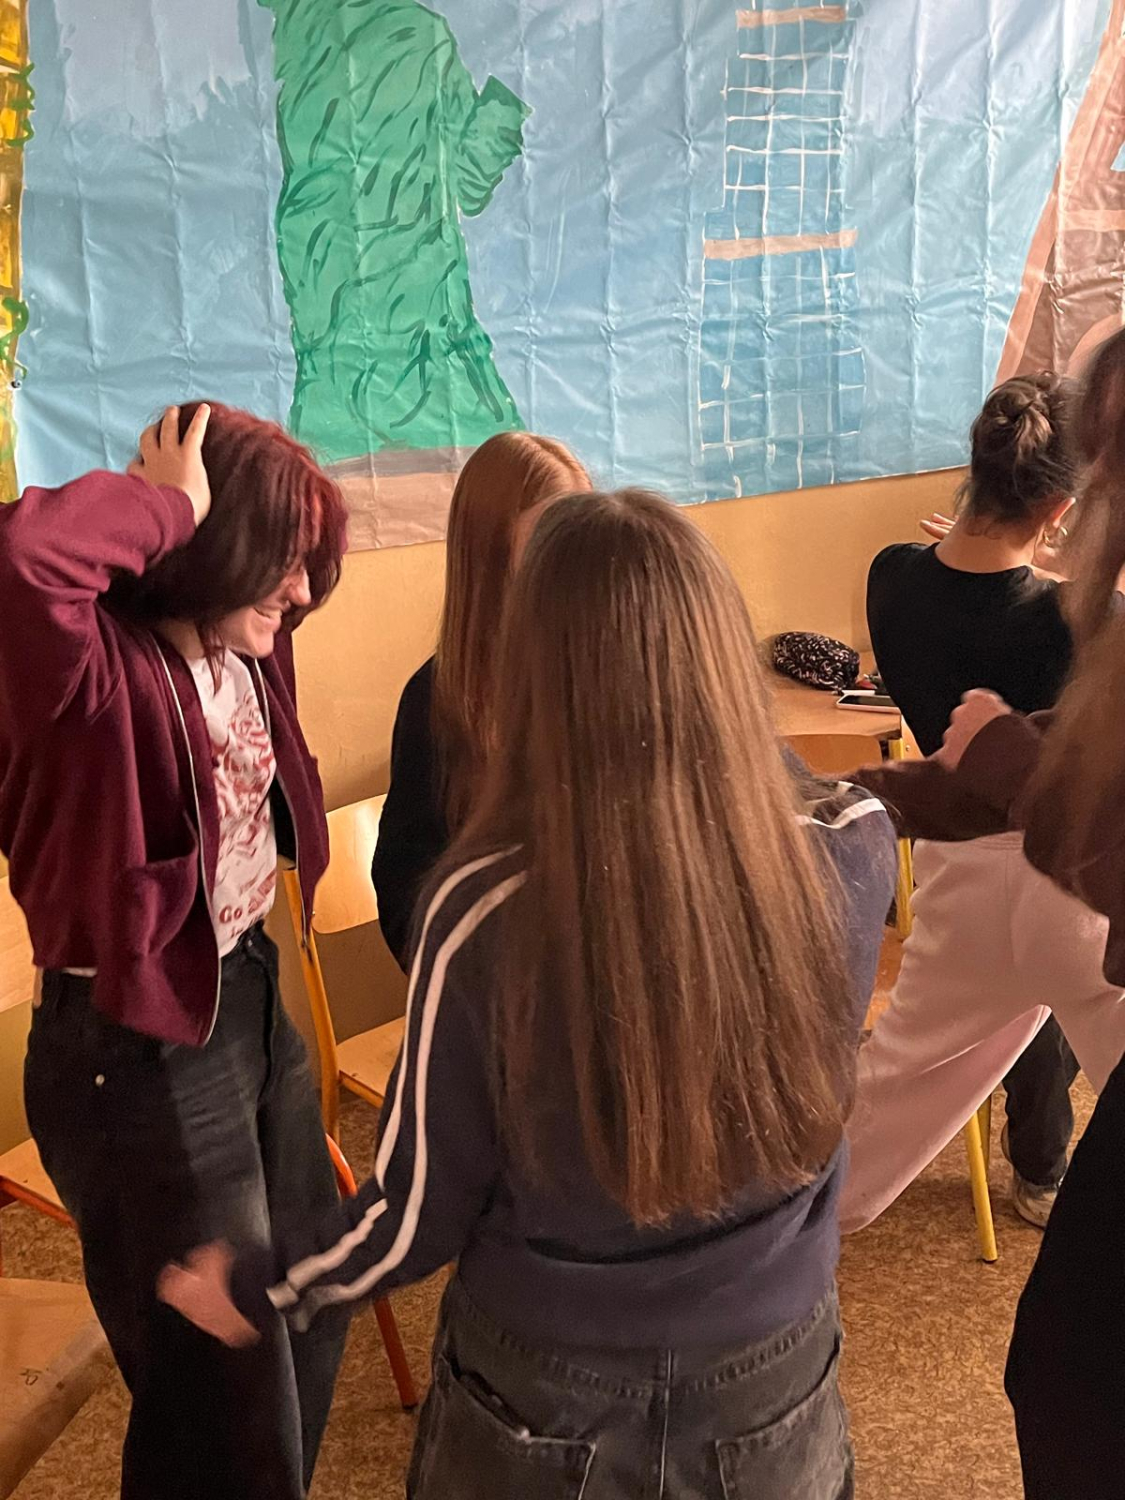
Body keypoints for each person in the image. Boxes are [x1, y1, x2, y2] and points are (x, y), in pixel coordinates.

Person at [161, 488, 897, 1499]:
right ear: (725, 656)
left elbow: (414, 1214)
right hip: (773, 1375)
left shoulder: (485, 910)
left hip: (548, 1390)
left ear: (534, 680)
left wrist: (265, 1283)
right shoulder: (853, 843)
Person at [0, 403, 350, 1500]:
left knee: (311, 1288)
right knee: (218, 1379)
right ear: (209, 545)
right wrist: (169, 506)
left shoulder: (244, 647)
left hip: (245, 992)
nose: (302, 591)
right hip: (135, 1045)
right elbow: (24, 561)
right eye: (282, 560)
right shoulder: (88, 675)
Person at [849, 326, 1125, 1498]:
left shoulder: (890, 579)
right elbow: (1071, 755)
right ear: (1060, 506)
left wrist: (869, 796)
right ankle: (1039, 1172)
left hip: (973, 876)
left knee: (888, 1090)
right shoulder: (1076, 616)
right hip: (1067, 883)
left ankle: (757, 1232)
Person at [372, 430, 591, 966]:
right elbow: (406, 905)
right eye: (547, 542)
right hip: (505, 981)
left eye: (581, 537)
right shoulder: (434, 700)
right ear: (490, 558)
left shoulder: (603, 670)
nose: (571, 564)